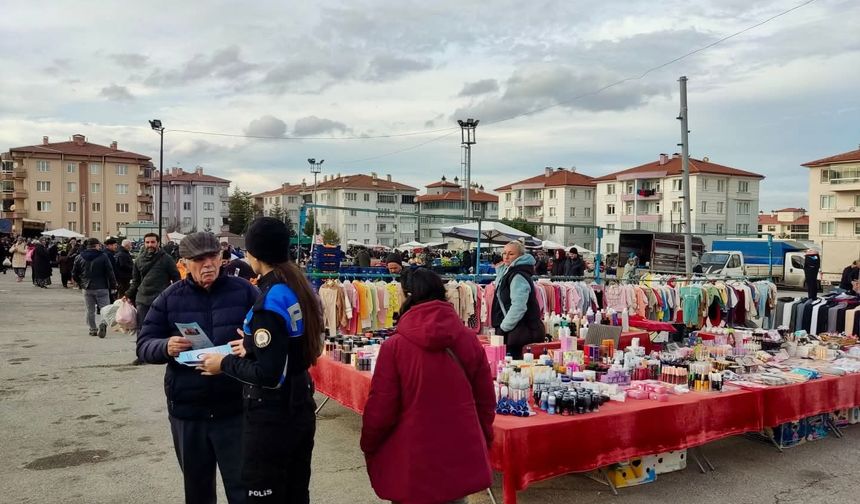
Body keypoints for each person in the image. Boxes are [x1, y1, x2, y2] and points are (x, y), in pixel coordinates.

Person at [198, 218, 320, 503]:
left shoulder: (270, 299)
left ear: (253, 254)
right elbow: (290, 342)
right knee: (295, 491)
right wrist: (252, 344)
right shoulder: (295, 285)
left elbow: (269, 374)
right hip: (298, 403)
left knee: (263, 494)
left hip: (273, 416)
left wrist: (223, 363)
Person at [137, 232, 259, 504]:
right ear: (184, 262)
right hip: (188, 412)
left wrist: (249, 344)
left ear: (222, 258)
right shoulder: (169, 298)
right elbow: (144, 345)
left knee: (244, 489)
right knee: (198, 491)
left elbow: (270, 337)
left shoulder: (246, 291)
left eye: (213, 257)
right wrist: (165, 346)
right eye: (199, 259)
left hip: (235, 410)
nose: (208, 265)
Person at [361, 268, 495, 504]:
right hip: (458, 449)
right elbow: (485, 400)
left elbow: (381, 408)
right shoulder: (467, 339)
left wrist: (369, 443)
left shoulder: (395, 346)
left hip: (413, 456)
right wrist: (483, 437)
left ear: (408, 295)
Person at [492, 241, 545, 359]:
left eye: (511, 254)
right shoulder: (509, 272)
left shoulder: (518, 276)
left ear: (520, 256)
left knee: (516, 371)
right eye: (504, 253)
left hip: (519, 333)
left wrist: (503, 328)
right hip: (515, 331)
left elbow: (519, 306)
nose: (506, 256)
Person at [125, 233, 181, 331]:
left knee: (159, 329)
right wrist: (128, 295)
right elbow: (136, 281)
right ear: (144, 243)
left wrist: (175, 296)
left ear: (158, 243)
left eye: (152, 242)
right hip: (142, 300)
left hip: (161, 300)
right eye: (147, 242)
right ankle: (142, 346)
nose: (150, 245)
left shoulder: (167, 259)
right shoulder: (139, 260)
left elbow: (177, 279)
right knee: (142, 329)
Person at [72, 238, 117, 337]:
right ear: (96, 245)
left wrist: (81, 283)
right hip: (102, 287)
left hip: (87, 288)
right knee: (105, 309)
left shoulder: (79, 257)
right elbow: (110, 272)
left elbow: (74, 273)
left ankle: (92, 329)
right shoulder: (103, 256)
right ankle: (103, 324)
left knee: (89, 310)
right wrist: (113, 285)